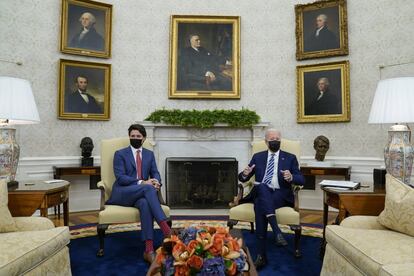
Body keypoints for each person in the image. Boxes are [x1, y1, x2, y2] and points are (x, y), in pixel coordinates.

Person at [233, 129, 305, 269]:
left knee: (260, 204)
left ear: (281, 141)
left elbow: (301, 179)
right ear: (266, 141)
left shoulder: (290, 158)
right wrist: (244, 173)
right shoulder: (258, 156)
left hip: (280, 194)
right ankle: (277, 231)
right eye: (272, 138)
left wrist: (291, 177)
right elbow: (243, 177)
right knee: (261, 187)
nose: (275, 140)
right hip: (261, 190)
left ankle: (261, 256)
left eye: (277, 138)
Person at [106, 124, 171, 263]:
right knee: (147, 188)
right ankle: (166, 230)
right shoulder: (120, 154)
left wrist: (156, 182)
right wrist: (143, 182)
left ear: (143, 138)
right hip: (123, 192)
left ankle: (148, 250)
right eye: (132, 136)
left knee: (145, 203)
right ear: (129, 137)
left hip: (140, 195)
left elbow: (155, 173)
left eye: (138, 136)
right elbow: (121, 178)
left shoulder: (149, 154)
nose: (135, 138)